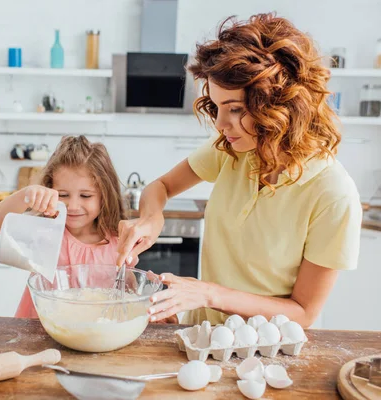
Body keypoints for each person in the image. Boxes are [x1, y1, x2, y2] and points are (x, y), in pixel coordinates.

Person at [116, 13, 362, 328]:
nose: (220, 124)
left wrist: (208, 294)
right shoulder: (234, 149)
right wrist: (151, 219)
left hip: (267, 352)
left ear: (283, 104)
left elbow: (303, 313)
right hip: (205, 337)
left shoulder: (333, 195)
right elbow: (160, 186)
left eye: (235, 109)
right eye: (217, 108)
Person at [0, 135, 127, 318]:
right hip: (38, 330)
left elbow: (125, 293)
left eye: (85, 196)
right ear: (49, 189)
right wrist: (26, 195)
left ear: (105, 196)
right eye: (62, 195)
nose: (73, 206)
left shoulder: (119, 242)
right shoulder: (45, 231)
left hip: (94, 334)